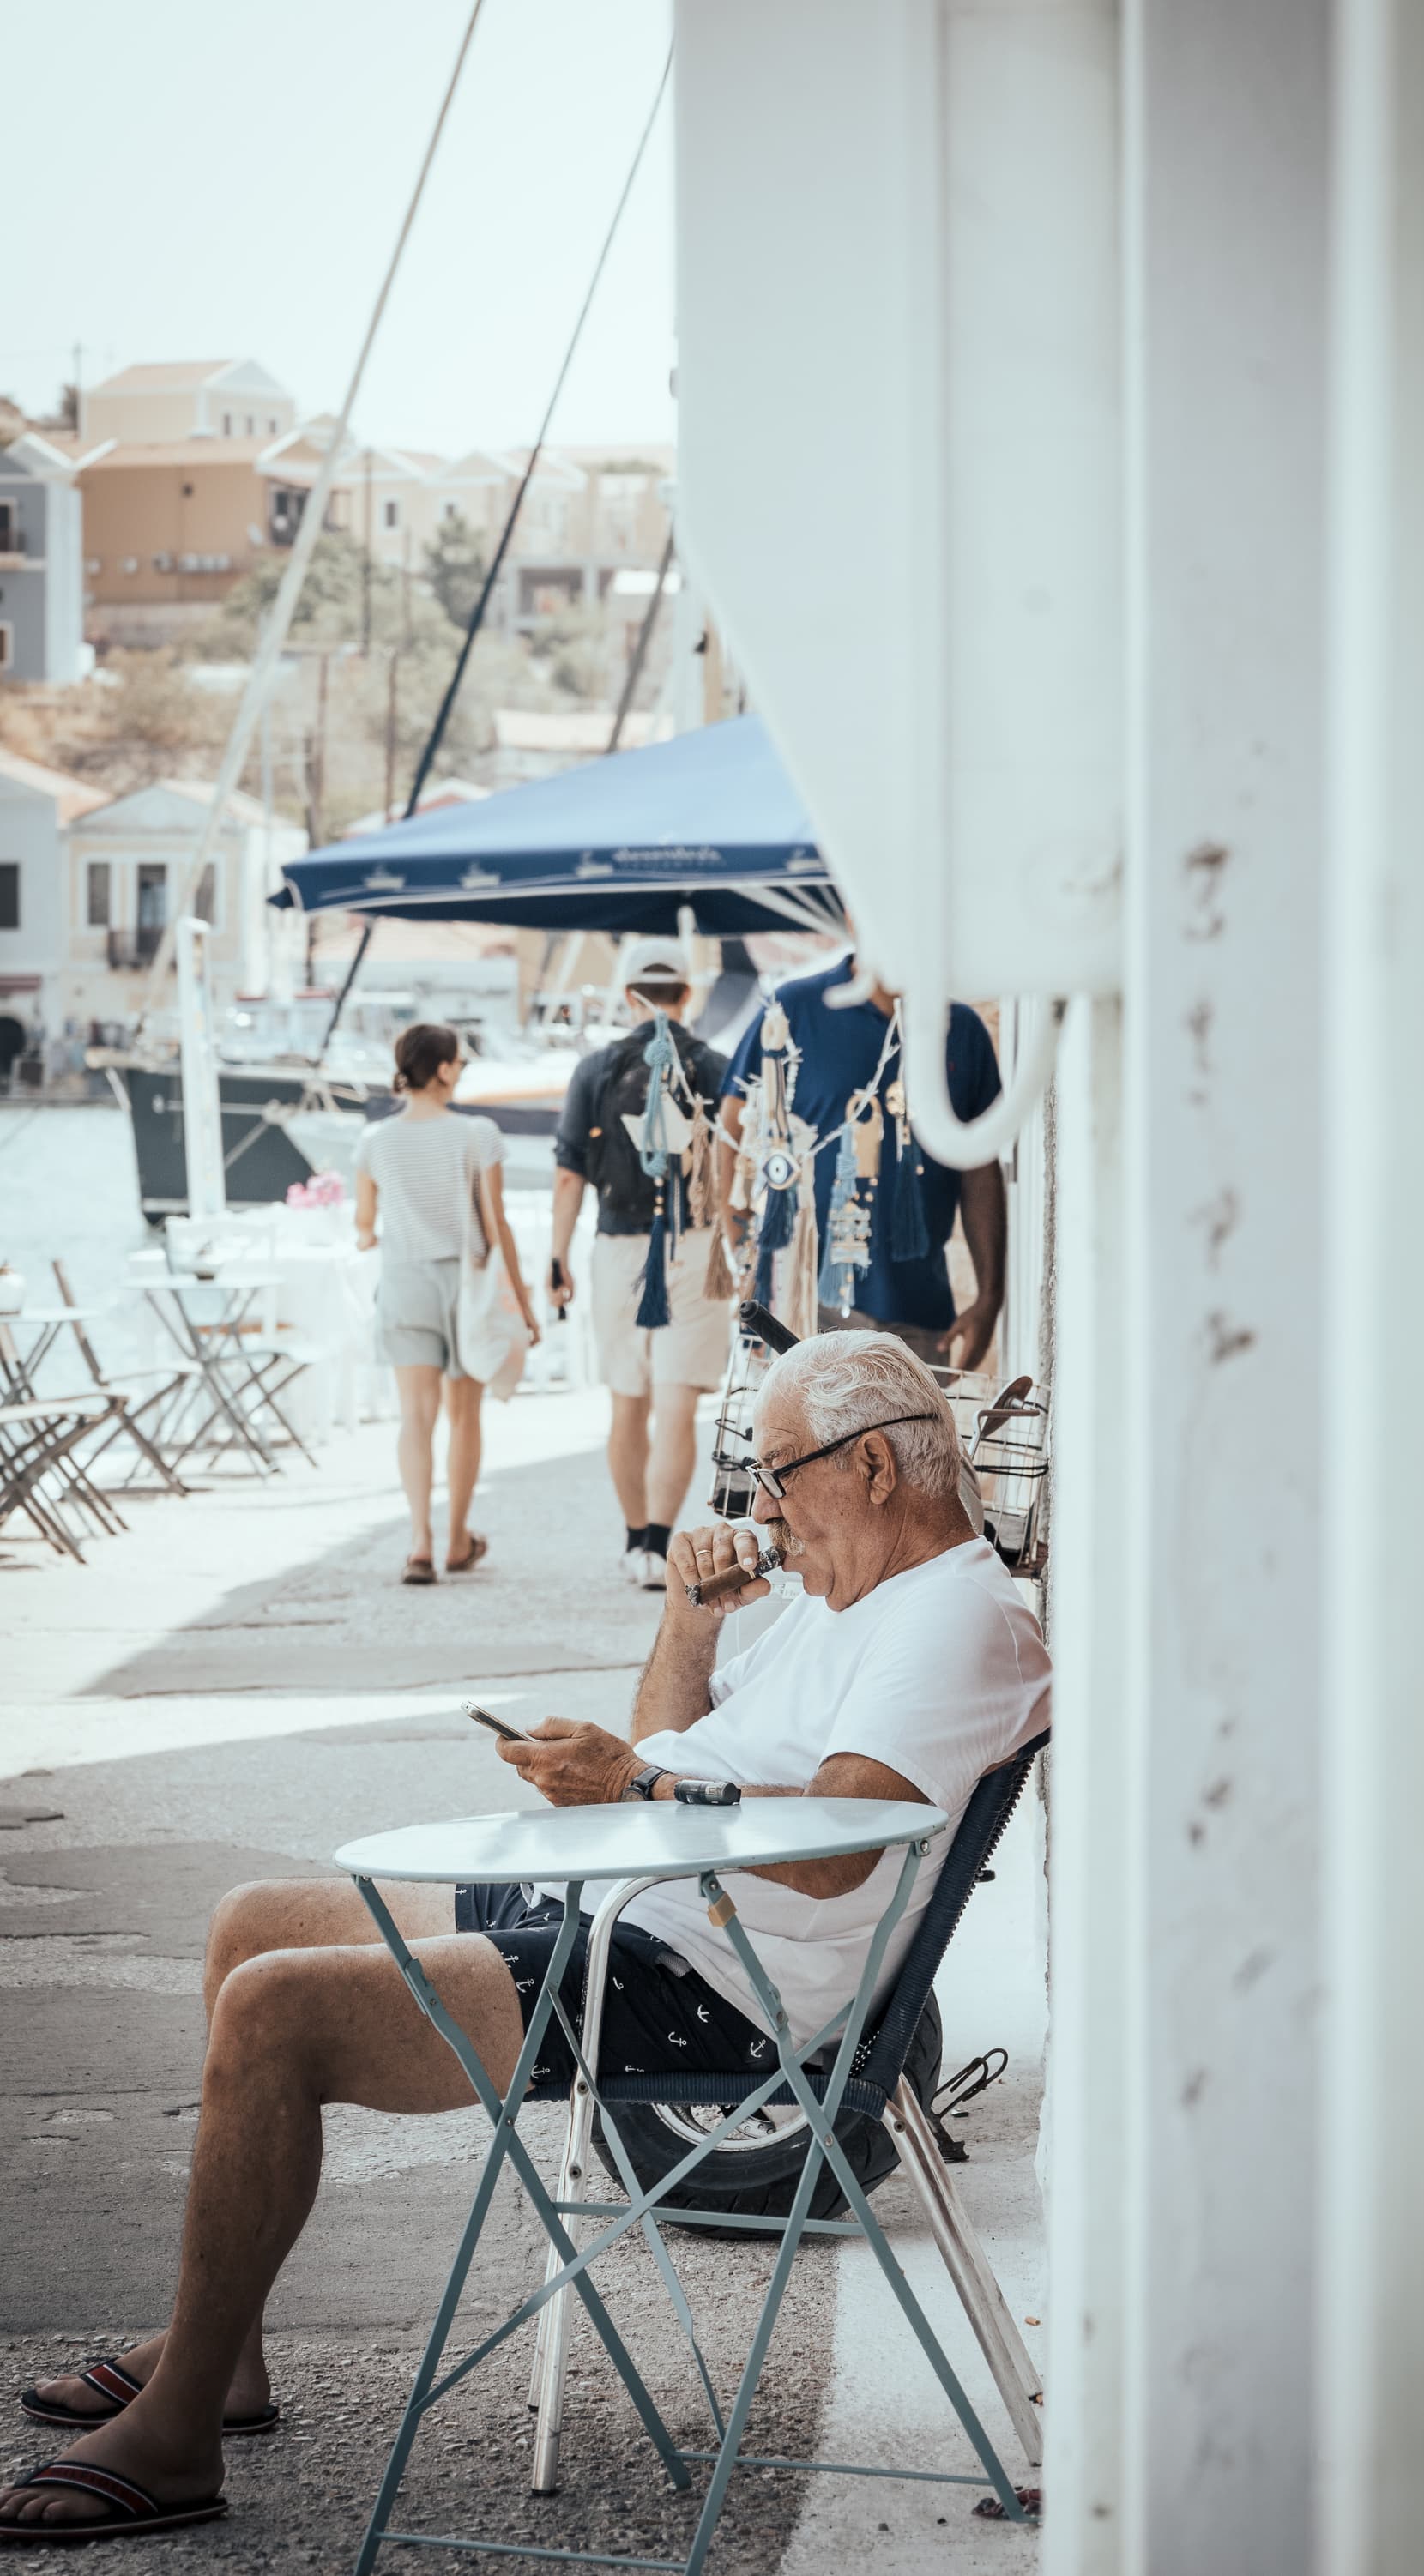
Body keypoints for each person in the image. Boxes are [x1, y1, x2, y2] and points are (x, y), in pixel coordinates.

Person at [0, 1333, 1048, 2543]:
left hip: (712, 1980)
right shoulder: (848, 1592)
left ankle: (180, 2427)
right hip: (639, 1910)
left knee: (275, 2008)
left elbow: (832, 1849)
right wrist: (689, 1629)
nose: (760, 1507)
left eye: (777, 1472)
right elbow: (679, 1753)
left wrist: (637, 1793)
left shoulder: (952, 1616)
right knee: (254, 1920)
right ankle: (221, 2352)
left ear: (871, 1466)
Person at [719, 942, 1007, 1371]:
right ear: (854, 914)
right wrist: (741, 1245)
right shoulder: (793, 1008)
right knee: (801, 1438)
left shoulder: (960, 1029)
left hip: (916, 1309)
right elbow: (731, 1122)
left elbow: (980, 1167)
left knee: (905, 1440)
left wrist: (990, 1297)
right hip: (801, 1303)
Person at [547, 938, 732, 1591]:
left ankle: (635, 1543)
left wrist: (556, 1256)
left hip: (620, 1246)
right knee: (677, 1406)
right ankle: (659, 1540)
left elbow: (570, 1175)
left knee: (628, 1402)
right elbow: (738, 1169)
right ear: (688, 994)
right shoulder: (716, 1065)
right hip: (697, 1246)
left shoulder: (596, 1069)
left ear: (630, 996)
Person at [354, 1023, 538, 1586]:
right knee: (464, 1416)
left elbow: (364, 1228)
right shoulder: (476, 1133)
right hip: (467, 1285)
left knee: (415, 1417)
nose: (461, 1071)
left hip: (405, 1280)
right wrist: (524, 1300)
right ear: (441, 1069)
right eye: (460, 1062)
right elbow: (495, 1223)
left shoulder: (373, 1141)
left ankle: (419, 1542)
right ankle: (457, 1539)